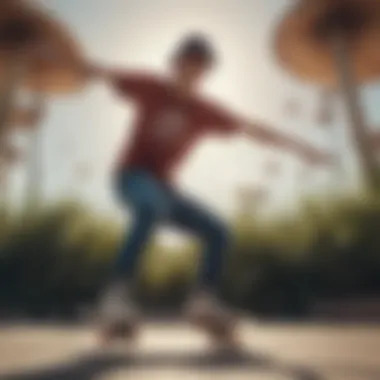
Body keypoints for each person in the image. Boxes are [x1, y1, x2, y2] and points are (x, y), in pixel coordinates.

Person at [86, 33, 332, 340]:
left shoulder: (205, 111)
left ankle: (203, 301)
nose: (190, 75)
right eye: (186, 66)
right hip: (131, 177)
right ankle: (115, 297)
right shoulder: (150, 86)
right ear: (174, 65)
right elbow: (98, 72)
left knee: (218, 231)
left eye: (199, 70)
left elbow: (253, 129)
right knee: (150, 206)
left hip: (166, 189)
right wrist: (57, 58)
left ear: (205, 74)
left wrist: (302, 149)